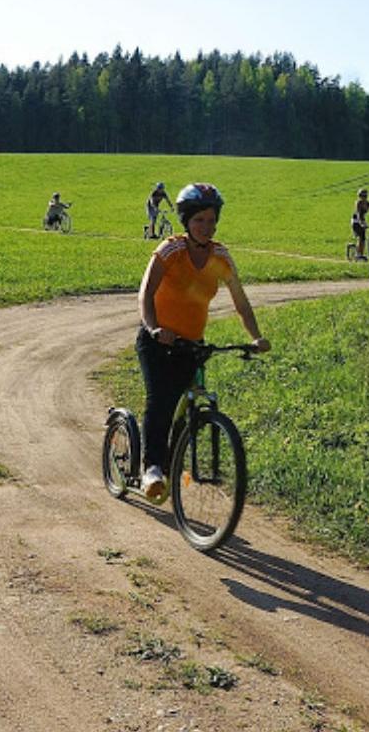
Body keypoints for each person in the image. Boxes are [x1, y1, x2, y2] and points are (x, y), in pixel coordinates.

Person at [134, 182, 270, 503]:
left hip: (191, 344)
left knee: (188, 408)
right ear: (186, 221)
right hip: (157, 341)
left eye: (211, 220)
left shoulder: (220, 256)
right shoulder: (170, 250)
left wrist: (255, 336)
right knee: (161, 401)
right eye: (199, 221)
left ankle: (172, 464)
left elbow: (241, 301)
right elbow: (146, 294)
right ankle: (151, 468)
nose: (206, 227)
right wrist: (154, 329)